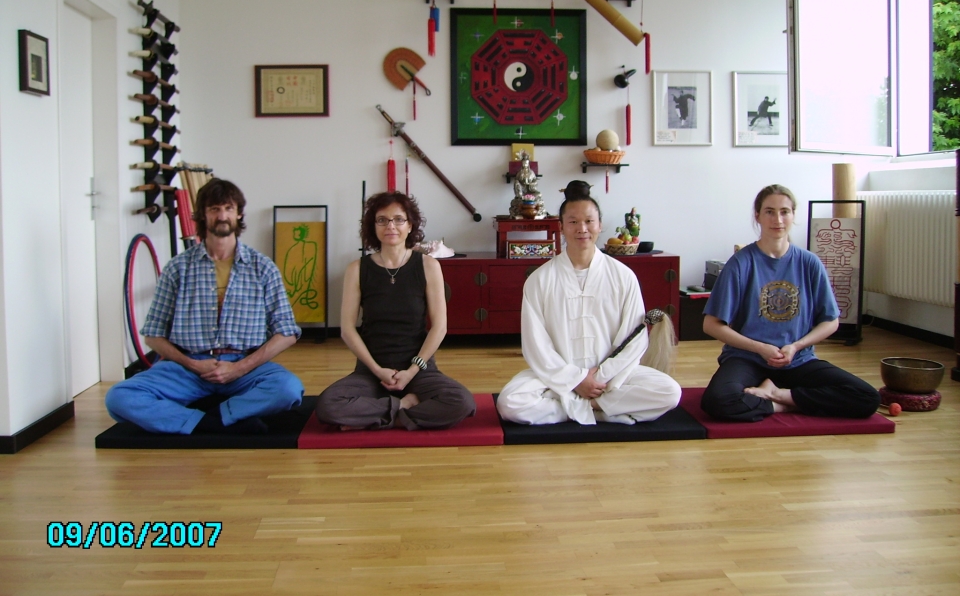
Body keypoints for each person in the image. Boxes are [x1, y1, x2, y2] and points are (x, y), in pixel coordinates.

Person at [105, 179, 304, 434]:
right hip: (188, 367)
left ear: (239, 213)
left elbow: (287, 333)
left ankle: (206, 418)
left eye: (228, 208)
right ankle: (210, 422)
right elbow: (153, 335)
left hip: (245, 364)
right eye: (214, 209)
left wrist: (239, 368)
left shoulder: (263, 267)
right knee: (119, 398)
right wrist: (192, 364)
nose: (222, 216)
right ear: (202, 215)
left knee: (288, 389)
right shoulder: (178, 268)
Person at [497, 186, 681, 425]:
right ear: (561, 227)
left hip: (612, 379)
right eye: (573, 222)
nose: (582, 229)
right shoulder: (540, 280)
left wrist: (599, 378)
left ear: (600, 224)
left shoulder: (623, 276)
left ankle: (579, 407)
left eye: (588, 221)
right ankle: (599, 410)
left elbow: (634, 340)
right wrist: (575, 380)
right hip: (556, 376)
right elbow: (536, 345)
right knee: (510, 402)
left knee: (669, 392)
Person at [700, 184, 879, 421]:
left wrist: (795, 347)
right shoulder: (741, 263)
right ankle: (784, 403)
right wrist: (760, 348)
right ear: (757, 216)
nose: (778, 219)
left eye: (785, 211)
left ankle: (781, 396)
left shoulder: (809, 262)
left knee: (867, 397)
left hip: (798, 360)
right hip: (749, 359)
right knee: (717, 401)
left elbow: (831, 321)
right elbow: (711, 324)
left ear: (793, 215)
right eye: (769, 211)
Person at [315, 192, 475, 430]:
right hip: (371, 369)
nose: (391, 226)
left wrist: (411, 371)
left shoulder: (429, 266)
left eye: (399, 219)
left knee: (461, 402)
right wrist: (377, 370)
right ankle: (404, 407)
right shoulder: (357, 269)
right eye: (382, 220)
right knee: (328, 405)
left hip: (419, 368)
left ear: (410, 225)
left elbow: (440, 327)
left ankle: (377, 412)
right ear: (374, 226)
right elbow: (348, 330)